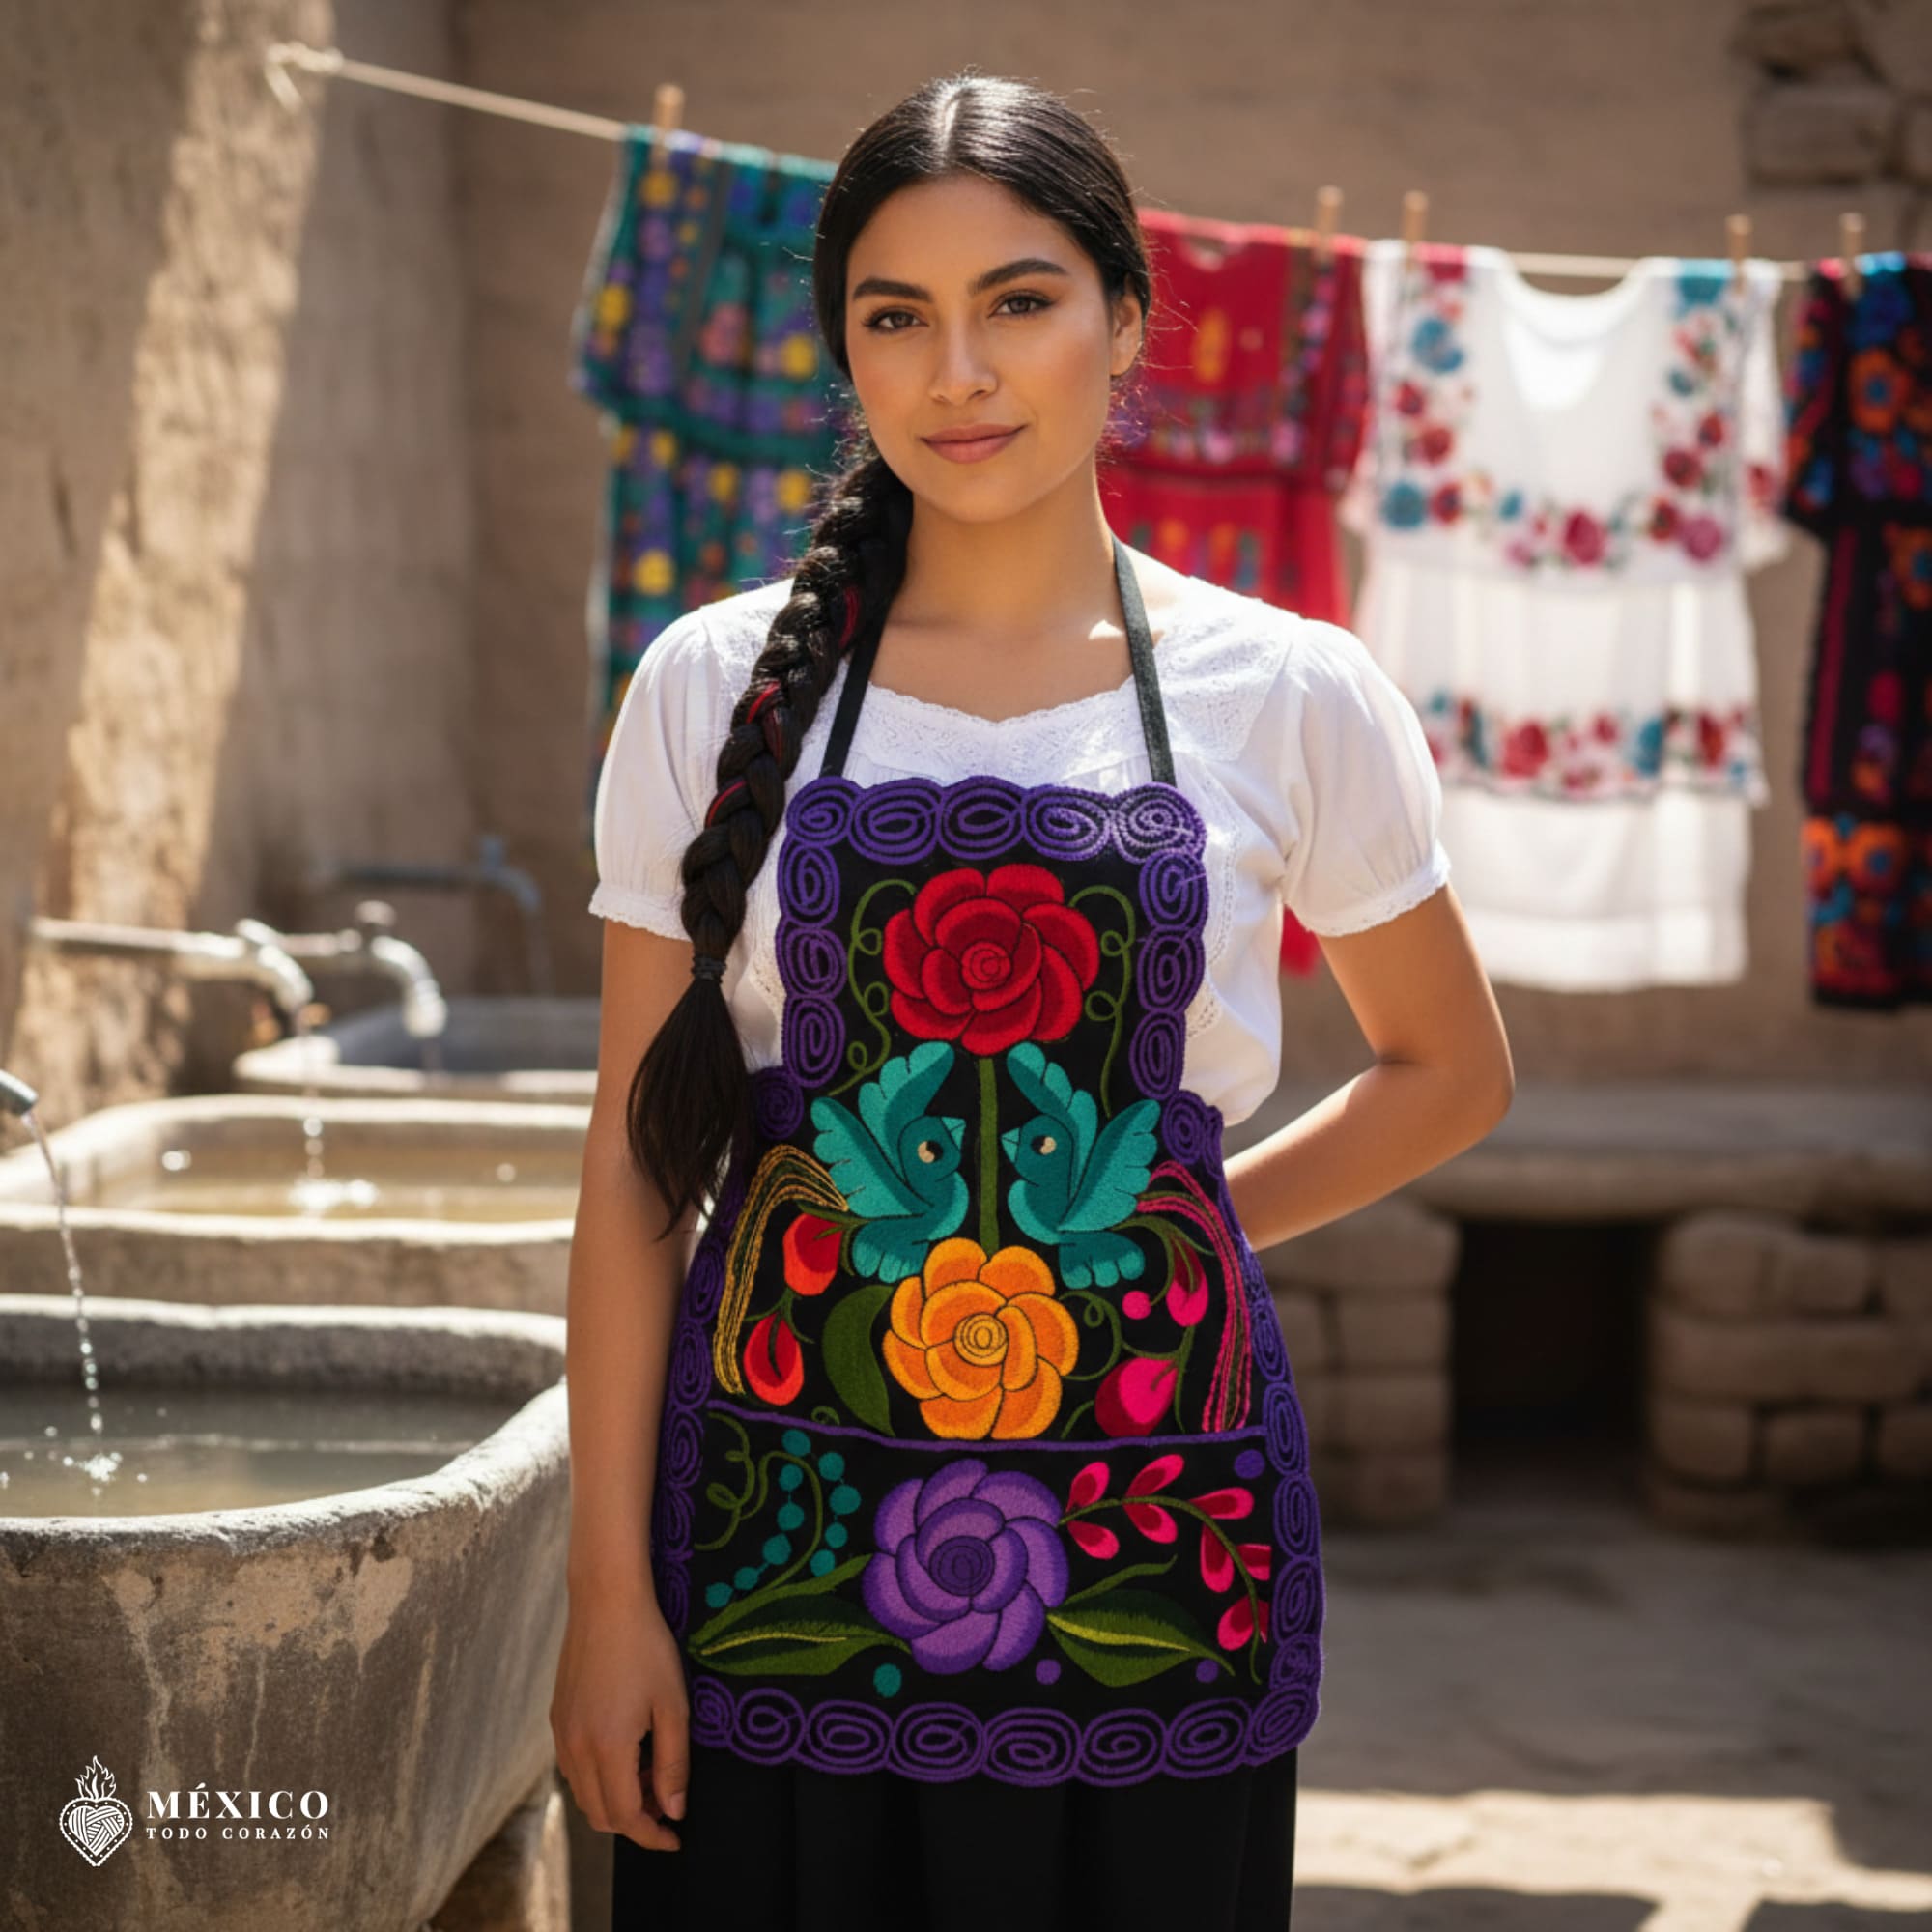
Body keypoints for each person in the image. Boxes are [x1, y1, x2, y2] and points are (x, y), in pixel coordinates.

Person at [552, 69, 1515, 1932]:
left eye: (1018, 302)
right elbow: (629, 1161)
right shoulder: (707, 683)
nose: (958, 374)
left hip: (1158, 1540)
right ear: (844, 353)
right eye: (894, 319)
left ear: (1126, 321)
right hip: (776, 1536)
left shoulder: (1289, 694)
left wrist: (1184, 1223)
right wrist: (608, 1595)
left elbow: (1449, 1071)